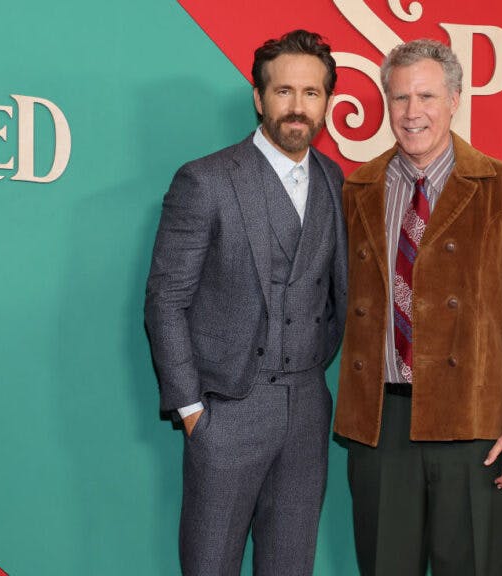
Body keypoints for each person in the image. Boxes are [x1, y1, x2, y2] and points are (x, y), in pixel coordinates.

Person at [333, 39, 502, 576]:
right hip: (381, 425)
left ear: (456, 99)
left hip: (475, 427)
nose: (413, 113)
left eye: (427, 96)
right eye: (400, 98)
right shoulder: (357, 188)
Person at [144, 29, 346, 576]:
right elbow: (166, 301)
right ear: (259, 99)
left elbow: (335, 294)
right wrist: (192, 410)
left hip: (307, 407)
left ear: (327, 101)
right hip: (226, 412)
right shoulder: (205, 181)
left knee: (291, 566)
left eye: (311, 93)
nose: (297, 107)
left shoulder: (334, 180)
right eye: (283, 92)